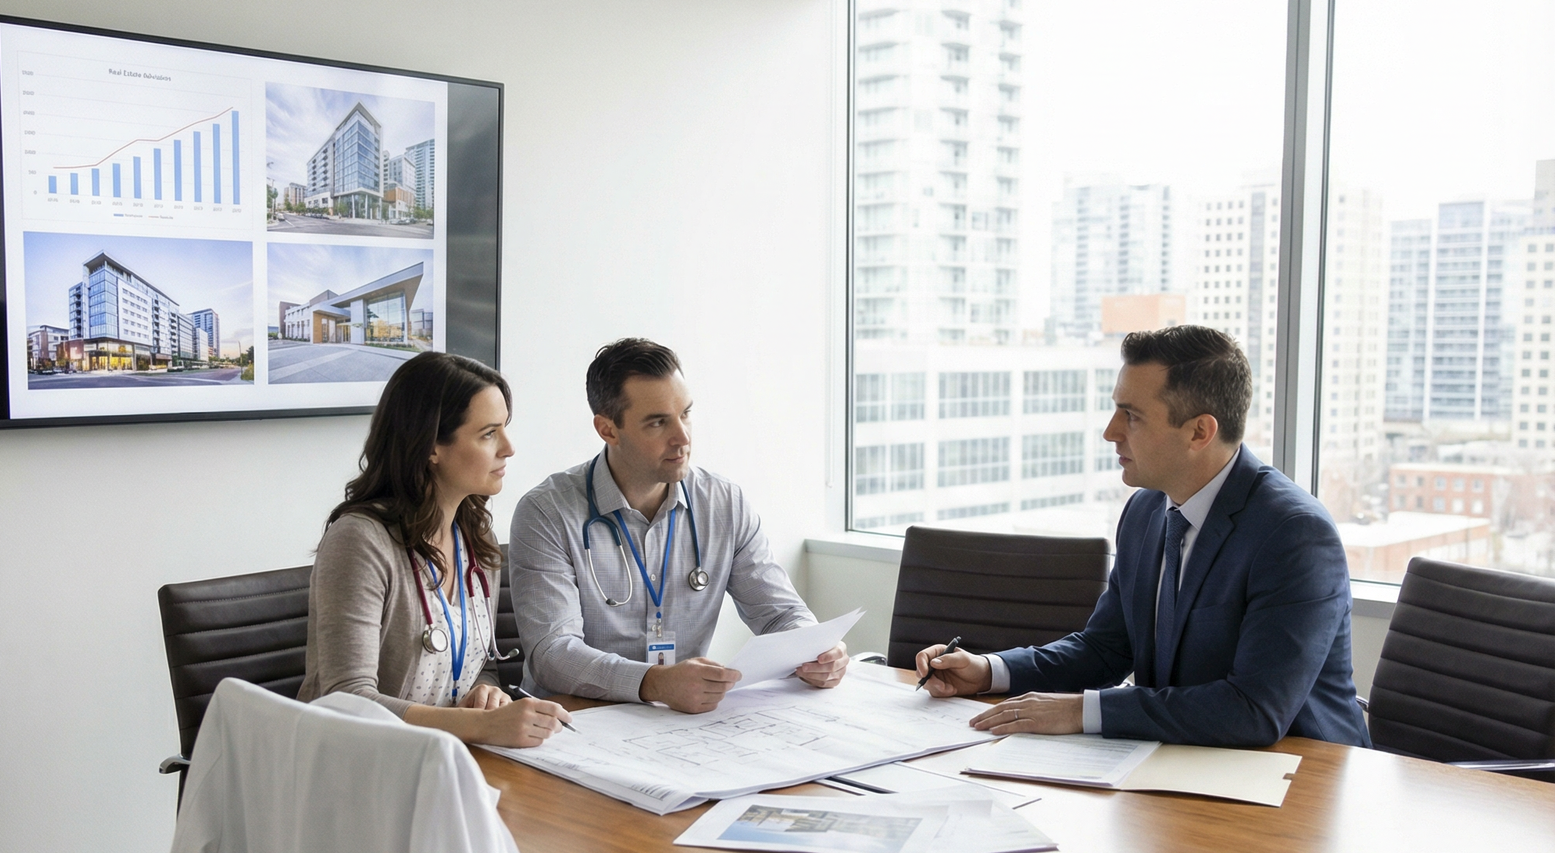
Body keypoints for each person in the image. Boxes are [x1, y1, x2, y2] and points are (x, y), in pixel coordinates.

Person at [918, 325, 1370, 749]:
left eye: (1131, 416)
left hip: (1299, 779)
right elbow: (1106, 648)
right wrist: (988, 671)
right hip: (1178, 762)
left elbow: (1254, 710)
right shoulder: (1147, 510)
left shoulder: (1294, 535)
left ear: (1199, 431)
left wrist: (1083, 711)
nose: (1110, 432)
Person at [511, 337, 849, 714]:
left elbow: (779, 613)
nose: (683, 438)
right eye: (658, 422)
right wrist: (653, 682)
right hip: (573, 720)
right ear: (608, 430)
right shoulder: (546, 512)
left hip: (677, 723)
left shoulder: (724, 503)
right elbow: (553, 653)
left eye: (685, 414)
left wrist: (816, 649)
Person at [300, 352, 571, 747]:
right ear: (430, 447)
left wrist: (486, 691)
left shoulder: (476, 539)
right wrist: (481, 727)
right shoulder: (359, 541)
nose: (509, 448)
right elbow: (347, 700)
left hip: (443, 763)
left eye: (505, 429)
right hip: (356, 771)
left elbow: (478, 667)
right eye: (488, 434)